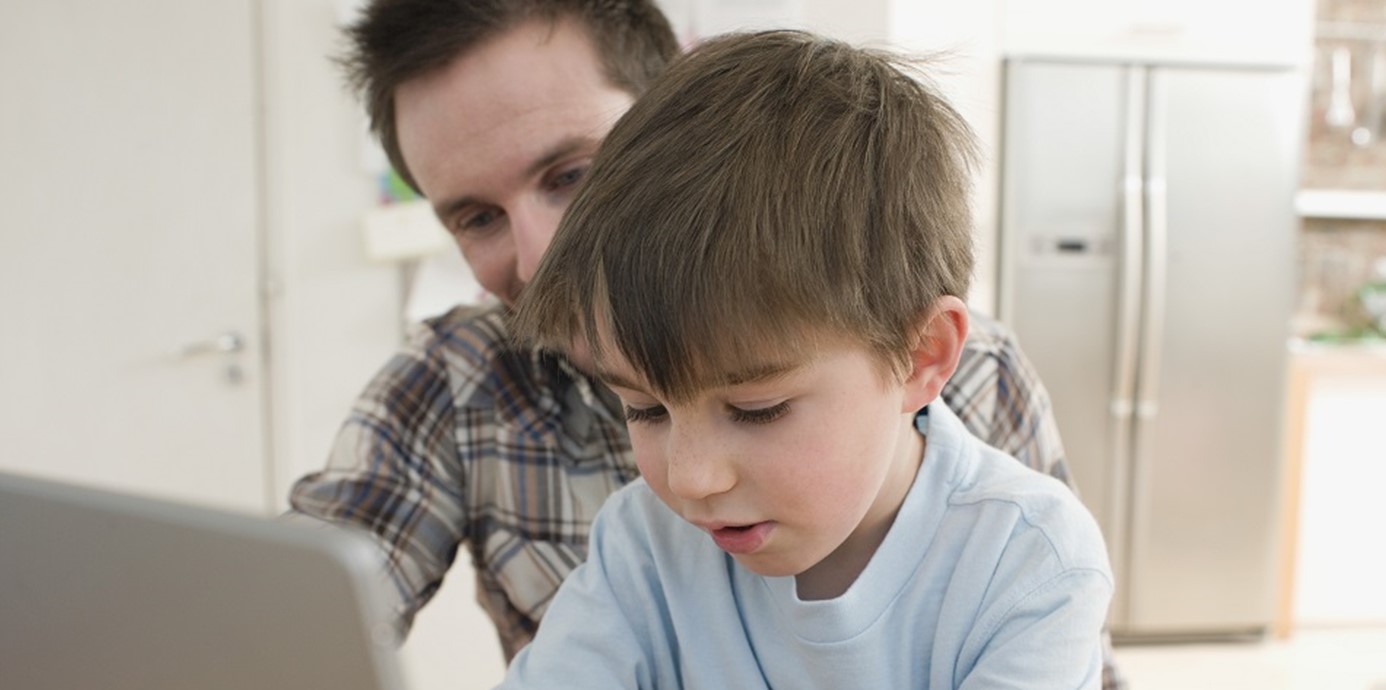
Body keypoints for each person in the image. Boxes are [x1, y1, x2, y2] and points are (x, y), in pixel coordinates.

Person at [289, 1, 1125, 687]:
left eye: (572, 175)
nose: (691, 481)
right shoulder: (635, 531)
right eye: (642, 408)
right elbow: (275, 623)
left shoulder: (1017, 526)